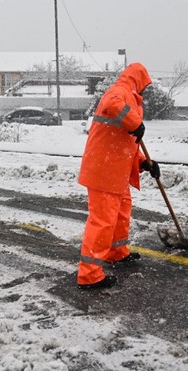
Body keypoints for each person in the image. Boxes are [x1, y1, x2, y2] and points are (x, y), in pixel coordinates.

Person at [77, 63, 161, 290]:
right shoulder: (120, 91)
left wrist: (146, 163)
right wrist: (135, 122)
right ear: (139, 81)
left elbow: (125, 143)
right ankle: (89, 274)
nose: (147, 90)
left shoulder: (131, 97)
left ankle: (116, 252)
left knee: (121, 213)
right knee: (102, 221)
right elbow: (112, 104)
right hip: (103, 171)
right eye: (146, 86)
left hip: (115, 172)